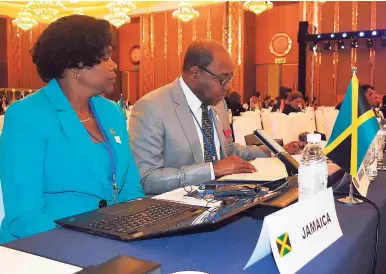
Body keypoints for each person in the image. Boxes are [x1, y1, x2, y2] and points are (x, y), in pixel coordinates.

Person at [0, 15, 144, 243]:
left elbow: (131, 190)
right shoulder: (26, 115)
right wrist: (87, 246)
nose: (114, 64)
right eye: (105, 57)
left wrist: (141, 231)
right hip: (46, 245)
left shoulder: (111, 112)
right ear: (75, 65)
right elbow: (25, 217)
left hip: (116, 237)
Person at [129, 39, 301, 195]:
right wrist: (213, 169)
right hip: (177, 205)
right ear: (195, 73)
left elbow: (228, 150)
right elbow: (148, 179)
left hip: (225, 196)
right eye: (222, 79)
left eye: (230, 78)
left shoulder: (218, 103)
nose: (228, 87)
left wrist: (274, 151)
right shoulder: (152, 107)